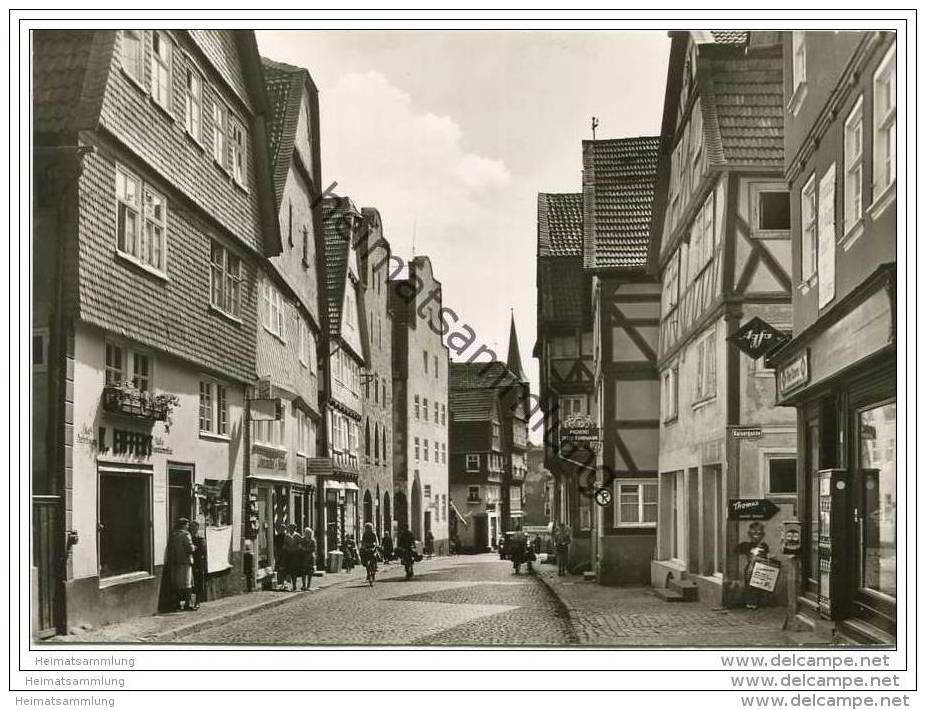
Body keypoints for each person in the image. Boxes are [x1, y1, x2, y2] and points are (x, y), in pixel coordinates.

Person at [736, 522, 771, 610]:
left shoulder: (764, 545)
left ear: (762, 535)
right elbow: (737, 550)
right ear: (749, 534)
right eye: (753, 533)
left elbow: (766, 554)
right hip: (750, 567)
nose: (756, 536)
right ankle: (749, 602)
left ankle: (755, 602)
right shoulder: (746, 545)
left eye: (759, 534)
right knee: (749, 585)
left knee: (757, 586)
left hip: (760, 568)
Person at [165, 518, 196, 611]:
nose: (188, 526)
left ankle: (177, 604)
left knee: (177, 584)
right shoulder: (186, 535)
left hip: (176, 562)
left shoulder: (174, 535)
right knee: (187, 583)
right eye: (187, 525)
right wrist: (194, 547)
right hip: (185, 562)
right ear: (183, 525)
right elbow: (190, 549)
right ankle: (187, 604)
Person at [189, 520, 207, 609]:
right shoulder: (188, 537)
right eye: (191, 527)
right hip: (189, 563)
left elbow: (203, 551)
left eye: (194, 527)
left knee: (198, 583)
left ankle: (197, 602)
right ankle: (191, 602)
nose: (193, 529)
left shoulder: (200, 538)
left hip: (198, 563)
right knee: (190, 584)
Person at [287, 524, 304, 592]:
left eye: (292, 528)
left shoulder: (297, 536)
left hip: (296, 555)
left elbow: (301, 544)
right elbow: (285, 544)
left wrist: (297, 548)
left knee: (295, 570)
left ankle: (296, 585)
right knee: (290, 570)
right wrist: (287, 547)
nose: (290, 529)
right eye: (289, 528)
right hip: (289, 554)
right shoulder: (287, 536)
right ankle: (292, 584)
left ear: (294, 529)